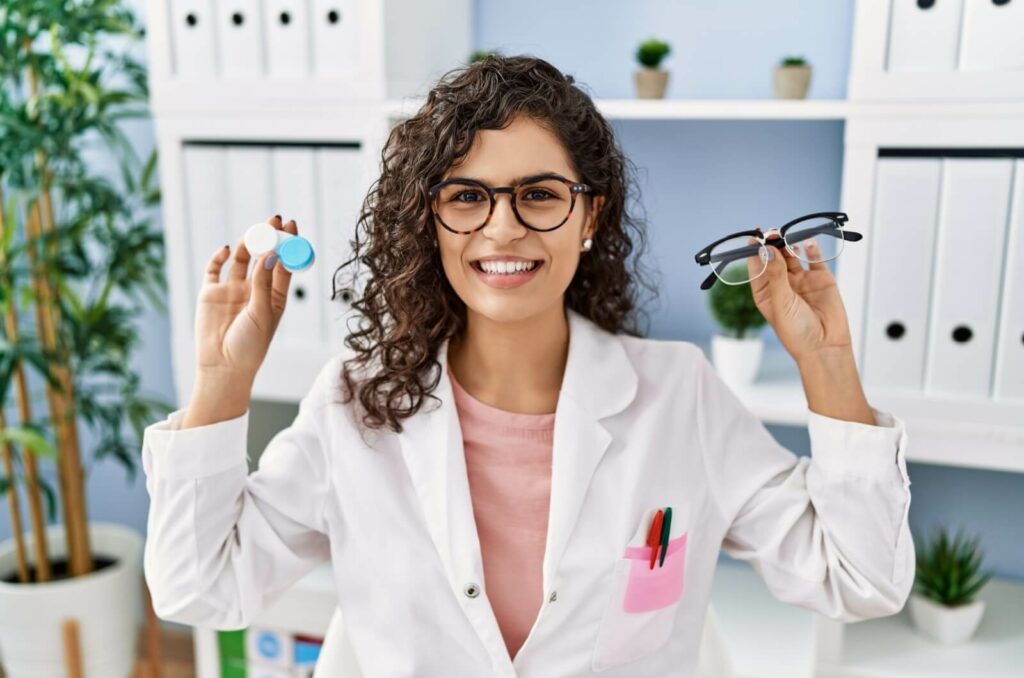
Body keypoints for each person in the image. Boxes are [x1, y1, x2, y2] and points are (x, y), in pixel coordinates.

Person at [141, 55, 913, 677]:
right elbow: (199, 588)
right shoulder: (355, 403)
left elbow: (861, 580)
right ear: (431, 221)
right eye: (468, 197)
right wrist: (221, 380)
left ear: (588, 216)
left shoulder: (682, 396)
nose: (502, 229)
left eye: (538, 195)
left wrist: (827, 363)